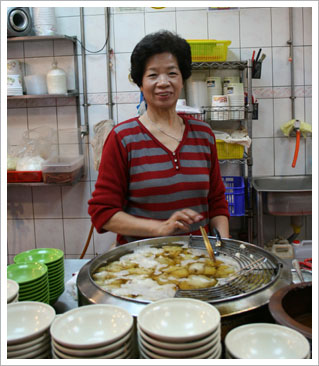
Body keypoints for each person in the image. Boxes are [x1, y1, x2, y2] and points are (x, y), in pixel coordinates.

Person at [88, 30, 230, 245]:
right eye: (153, 75)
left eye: (172, 73)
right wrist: (160, 228)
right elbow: (102, 212)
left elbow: (217, 201)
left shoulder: (203, 135)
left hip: (199, 260)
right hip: (142, 263)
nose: (163, 82)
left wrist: (223, 245)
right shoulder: (123, 138)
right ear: (140, 84)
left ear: (182, 80)